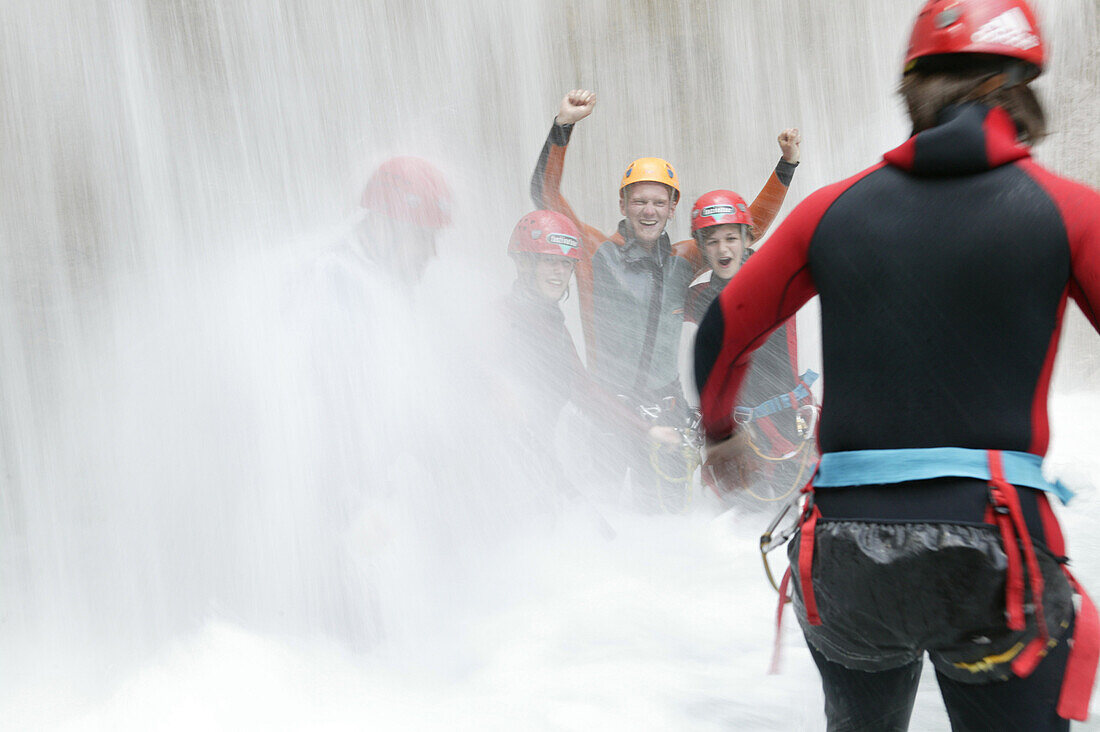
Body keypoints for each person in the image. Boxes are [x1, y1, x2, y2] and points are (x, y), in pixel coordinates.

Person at [694, 0, 1099, 728]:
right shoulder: (1070, 212)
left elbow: (722, 331)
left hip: (847, 554)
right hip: (997, 552)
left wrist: (720, 432)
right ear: (1024, 89)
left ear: (913, 90)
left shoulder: (830, 211)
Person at [530, 90, 799, 500]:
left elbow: (747, 230)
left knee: (664, 525)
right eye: (639, 200)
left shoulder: (683, 261)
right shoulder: (594, 253)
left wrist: (785, 167)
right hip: (607, 409)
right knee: (596, 518)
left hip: (667, 410)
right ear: (622, 203)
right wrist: (562, 126)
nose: (648, 210)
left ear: (674, 207)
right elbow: (545, 198)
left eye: (659, 201)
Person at [496, 210, 680, 494]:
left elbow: (585, 392)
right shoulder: (501, 317)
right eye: (549, 261)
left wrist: (647, 431)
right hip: (501, 469)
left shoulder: (552, 323)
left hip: (534, 464)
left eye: (566, 264)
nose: (560, 273)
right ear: (523, 263)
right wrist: (497, 389)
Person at [684, 189, 817, 503]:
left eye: (731, 238)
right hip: (736, 431)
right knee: (740, 514)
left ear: (747, 239)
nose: (722, 249)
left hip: (785, 419)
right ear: (701, 247)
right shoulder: (698, 297)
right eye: (712, 241)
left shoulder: (777, 275)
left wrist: (787, 165)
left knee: (793, 511)